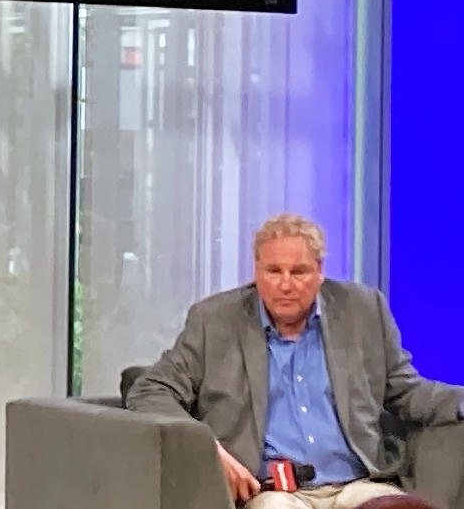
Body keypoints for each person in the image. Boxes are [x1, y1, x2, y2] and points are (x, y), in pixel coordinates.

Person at [126, 213, 464, 509]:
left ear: (319, 272)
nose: (285, 285)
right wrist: (209, 448)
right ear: (256, 270)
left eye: (299, 271)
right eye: (273, 271)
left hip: (358, 485)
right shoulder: (214, 322)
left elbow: (407, 392)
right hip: (275, 493)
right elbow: (150, 391)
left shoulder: (363, 311)